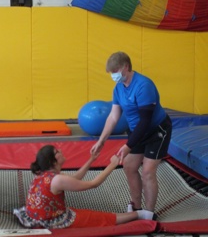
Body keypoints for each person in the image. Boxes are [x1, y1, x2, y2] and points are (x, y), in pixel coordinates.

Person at [90, 51, 172, 214]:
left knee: (148, 172)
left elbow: (145, 121)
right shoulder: (118, 88)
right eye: (111, 73)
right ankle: (136, 206)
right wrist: (101, 141)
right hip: (137, 131)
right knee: (129, 166)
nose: (113, 76)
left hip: (156, 130)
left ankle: (149, 212)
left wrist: (128, 146)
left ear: (126, 67)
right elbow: (113, 117)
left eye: (115, 71)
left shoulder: (144, 85)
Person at [14, 145, 156, 229]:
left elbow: (75, 179)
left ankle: (134, 214)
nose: (61, 151)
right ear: (53, 161)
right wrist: (113, 164)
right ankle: (138, 214)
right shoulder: (57, 180)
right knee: (99, 219)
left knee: (87, 214)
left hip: (38, 216)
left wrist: (92, 159)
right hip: (48, 222)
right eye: (57, 152)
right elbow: (93, 184)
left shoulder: (44, 174)